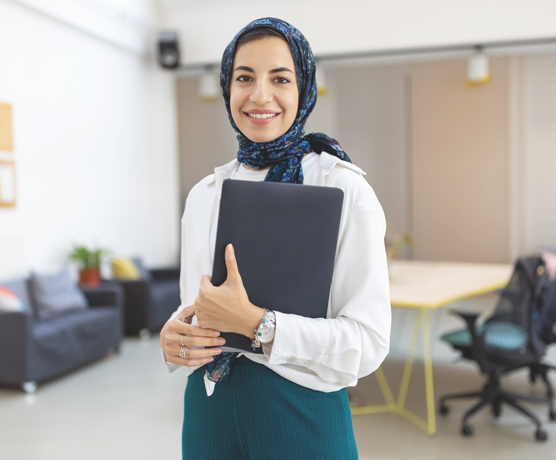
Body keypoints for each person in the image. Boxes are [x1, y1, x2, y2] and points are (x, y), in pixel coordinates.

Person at [160, 17, 391, 460]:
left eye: (280, 78)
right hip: (210, 407)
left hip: (301, 410)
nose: (260, 95)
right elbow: (196, 303)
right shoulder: (205, 194)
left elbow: (367, 343)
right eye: (244, 77)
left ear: (303, 88)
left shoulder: (342, 189)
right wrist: (176, 335)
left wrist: (259, 324)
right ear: (227, 87)